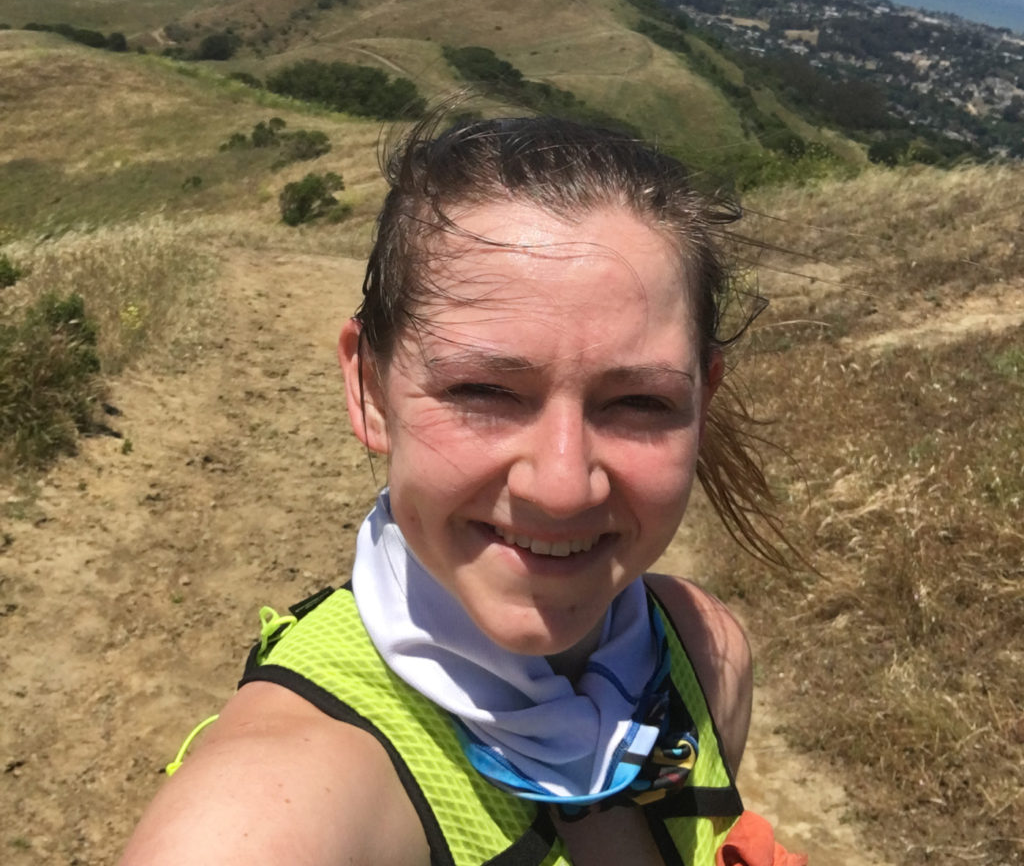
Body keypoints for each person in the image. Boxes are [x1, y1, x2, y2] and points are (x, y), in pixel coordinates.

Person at [119, 115, 804, 866]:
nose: (563, 486)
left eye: (639, 402)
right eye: (483, 390)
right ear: (371, 389)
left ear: (703, 402)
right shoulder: (258, 821)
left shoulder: (704, 657)